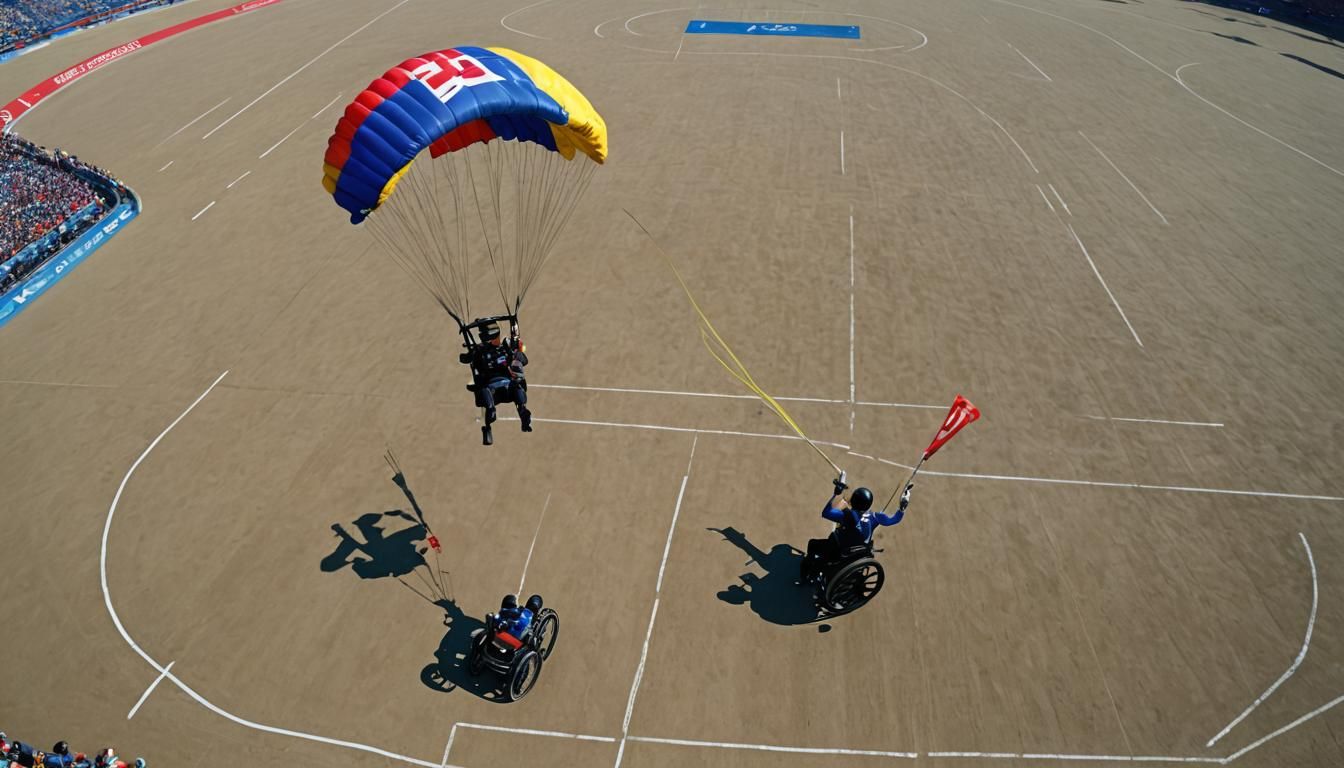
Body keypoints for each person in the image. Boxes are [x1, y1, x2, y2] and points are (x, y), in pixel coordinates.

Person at [800, 474, 912, 583]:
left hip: (839, 551)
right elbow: (893, 520)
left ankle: (808, 576)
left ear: (853, 501)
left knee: (813, 544)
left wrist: (836, 494)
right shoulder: (875, 517)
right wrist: (902, 509)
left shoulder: (846, 516)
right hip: (859, 552)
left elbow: (826, 513)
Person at [467, 321, 531, 446]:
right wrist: (469, 356)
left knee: (517, 388)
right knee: (487, 396)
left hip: (508, 385)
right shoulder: (479, 351)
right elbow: (467, 358)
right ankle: (488, 424)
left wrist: (517, 354)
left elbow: (523, 360)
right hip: (491, 387)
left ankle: (523, 412)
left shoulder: (506, 348)